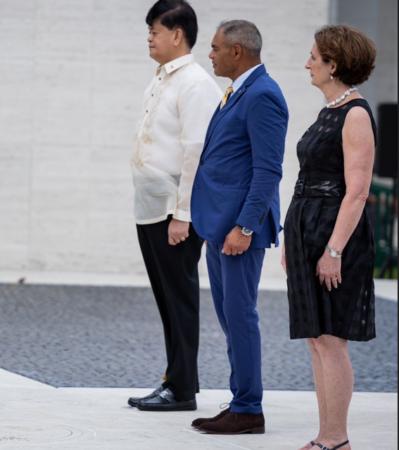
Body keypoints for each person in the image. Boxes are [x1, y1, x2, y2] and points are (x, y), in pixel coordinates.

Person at [190, 20, 288, 434]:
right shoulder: (239, 90)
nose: (208, 54)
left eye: (214, 48)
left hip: (239, 231)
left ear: (237, 52)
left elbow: (268, 171)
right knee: (230, 318)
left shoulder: (263, 94)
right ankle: (240, 400)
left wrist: (245, 228)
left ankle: (249, 408)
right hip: (220, 226)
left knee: (240, 316)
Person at [283, 25, 377, 450]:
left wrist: (334, 250)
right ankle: (326, 436)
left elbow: (356, 191)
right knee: (315, 338)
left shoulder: (355, 114)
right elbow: (308, 181)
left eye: (313, 57)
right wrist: (291, 241)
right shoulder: (329, 111)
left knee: (332, 340)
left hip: (335, 237)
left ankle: (336, 439)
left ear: (333, 64)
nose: (307, 64)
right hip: (308, 233)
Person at [126, 0, 220, 412]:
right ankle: (174, 380)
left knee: (180, 300)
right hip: (151, 207)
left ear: (177, 34)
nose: (149, 37)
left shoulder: (195, 83)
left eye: (155, 30)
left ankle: (182, 390)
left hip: (172, 212)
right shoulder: (160, 79)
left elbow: (195, 153)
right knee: (167, 300)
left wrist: (183, 214)